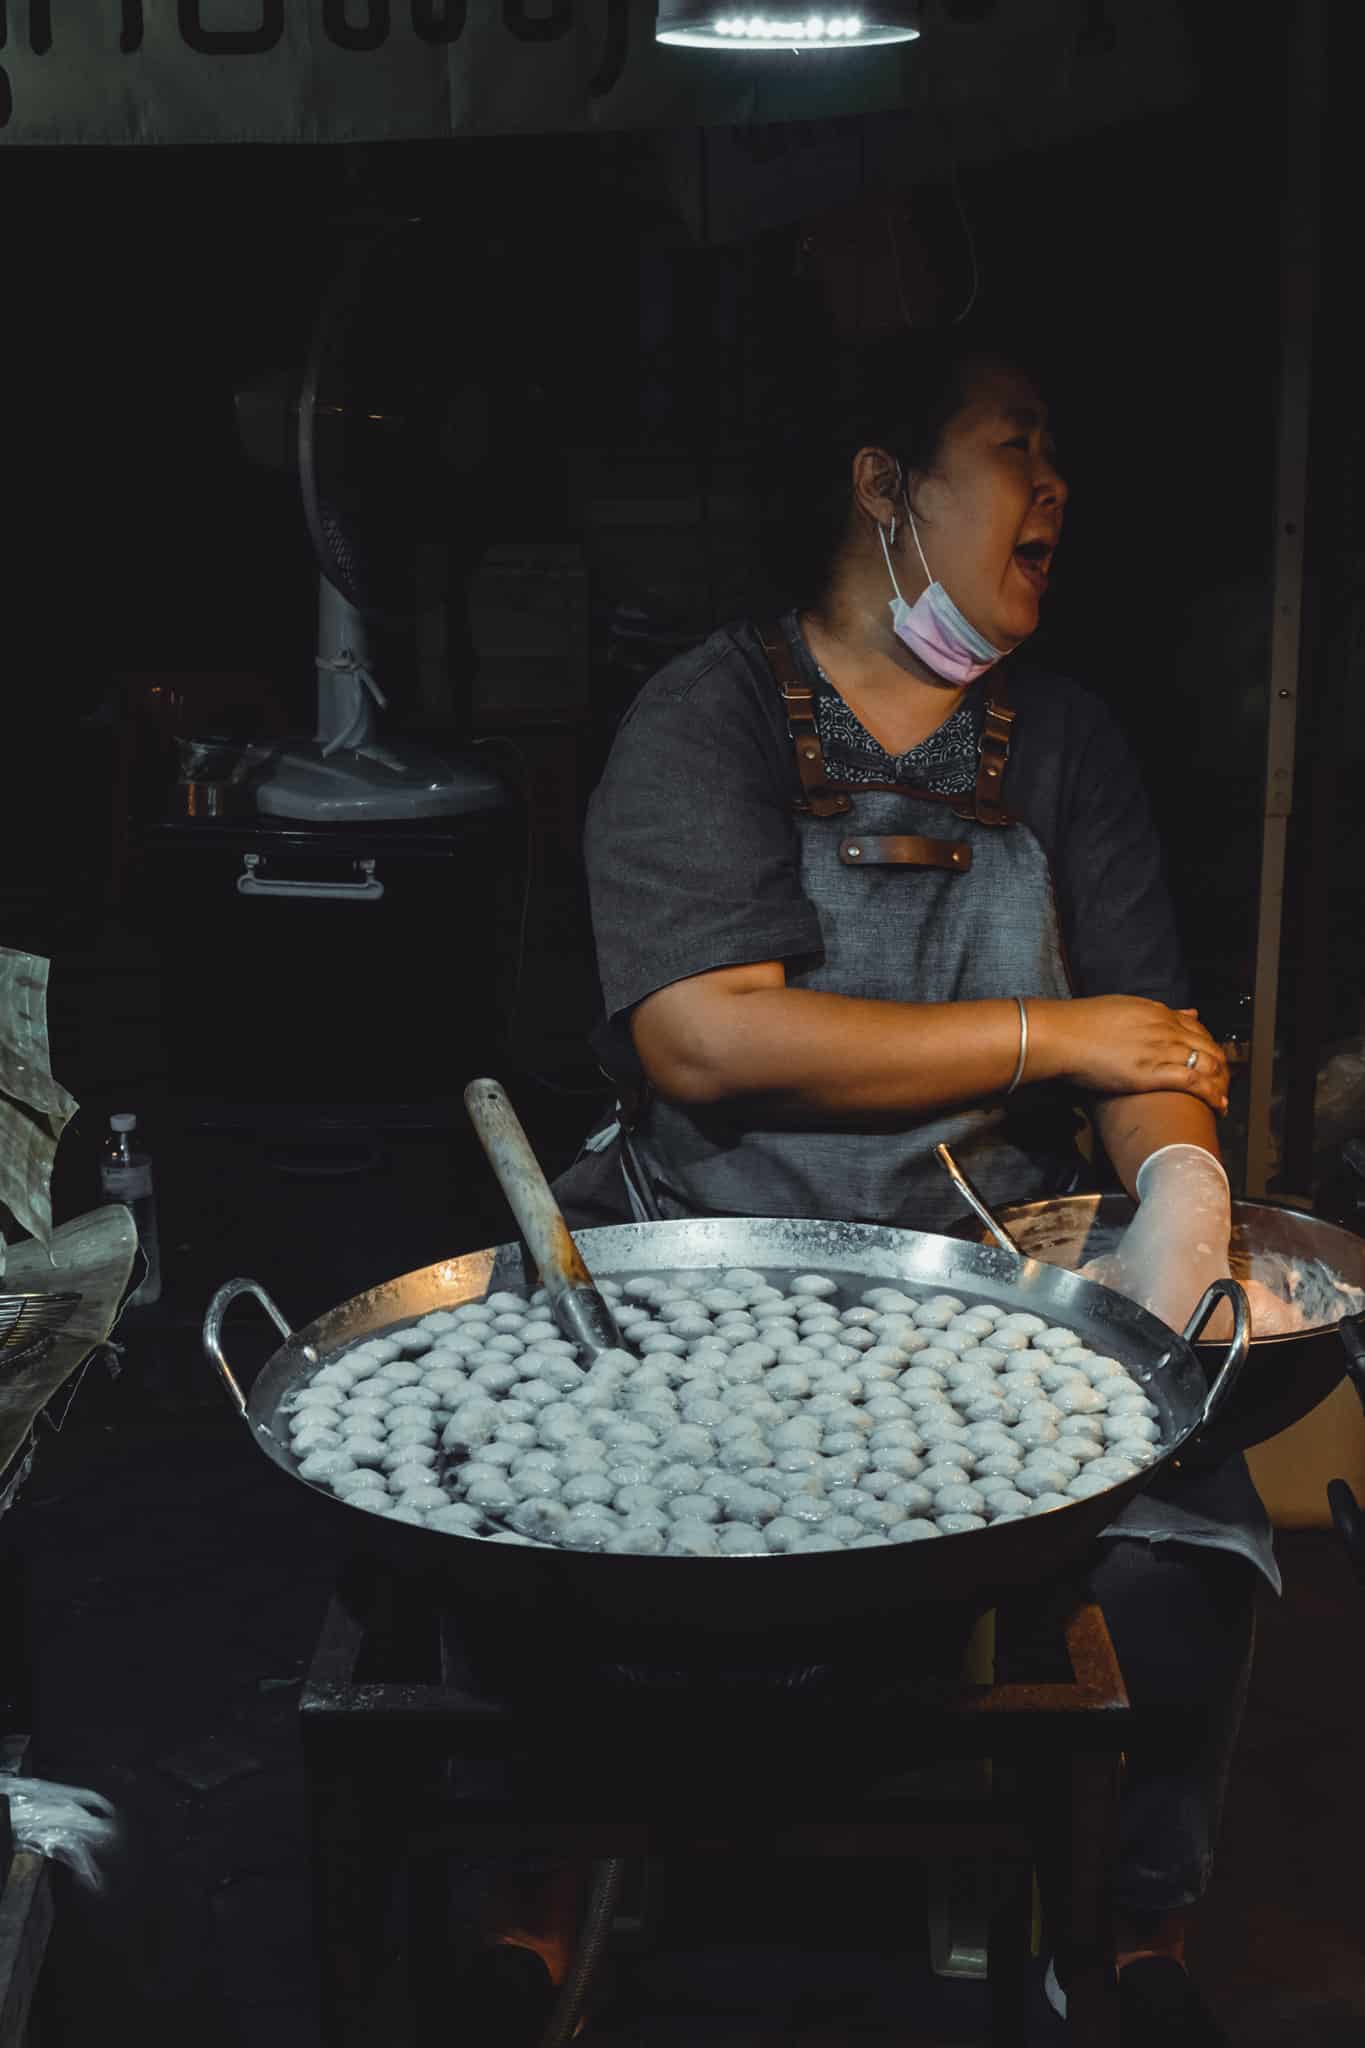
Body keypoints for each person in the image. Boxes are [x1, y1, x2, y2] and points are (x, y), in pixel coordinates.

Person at [546, 325, 1274, 2046]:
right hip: (711, 1263)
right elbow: (703, 1038)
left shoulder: (1063, 740)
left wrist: (1183, 1201)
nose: (1056, 486)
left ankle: (1119, 1925)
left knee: (1183, 1555)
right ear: (884, 485)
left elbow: (1150, 1050)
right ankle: (552, 1897)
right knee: (558, 1552)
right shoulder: (712, 715)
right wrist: (1047, 1029)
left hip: (987, 1271)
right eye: (1016, 445)